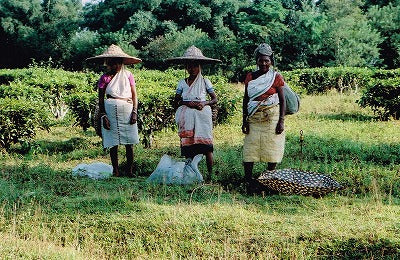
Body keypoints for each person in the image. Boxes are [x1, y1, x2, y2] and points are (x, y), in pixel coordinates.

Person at [166, 46, 221, 181]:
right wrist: (187, 103)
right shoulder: (182, 83)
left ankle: (210, 175)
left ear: (199, 66)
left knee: (207, 147)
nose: (192, 69)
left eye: (195, 66)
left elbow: (214, 99)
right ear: (186, 67)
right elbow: (176, 102)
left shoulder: (204, 81)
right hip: (187, 116)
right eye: (189, 66)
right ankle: (189, 174)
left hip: (202, 116)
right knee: (189, 147)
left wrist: (204, 103)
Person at [87, 44, 142, 177]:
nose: (116, 66)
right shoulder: (104, 78)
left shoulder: (128, 75)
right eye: (113, 63)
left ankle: (129, 170)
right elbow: (100, 99)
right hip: (110, 111)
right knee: (113, 142)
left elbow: (134, 95)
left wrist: (135, 111)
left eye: (118, 63)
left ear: (122, 63)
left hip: (127, 110)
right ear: (109, 64)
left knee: (129, 142)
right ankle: (116, 170)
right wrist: (104, 115)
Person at [242, 43, 286, 193]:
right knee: (250, 148)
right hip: (253, 117)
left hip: (271, 118)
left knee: (272, 147)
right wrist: (244, 120)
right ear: (257, 61)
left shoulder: (275, 77)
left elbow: (282, 100)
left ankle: (269, 179)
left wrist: (281, 121)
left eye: (267, 60)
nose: (264, 63)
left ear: (271, 61)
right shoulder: (250, 77)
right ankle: (248, 181)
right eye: (261, 60)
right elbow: (246, 99)